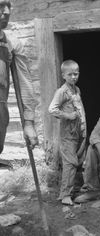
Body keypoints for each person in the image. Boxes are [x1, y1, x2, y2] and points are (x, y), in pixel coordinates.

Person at [0, 0, 38, 164]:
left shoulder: (12, 43)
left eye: (9, 6)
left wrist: (28, 123)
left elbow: (25, 83)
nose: (7, 11)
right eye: (1, 5)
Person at [48, 60, 86, 205]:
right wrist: (68, 116)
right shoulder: (62, 91)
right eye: (70, 74)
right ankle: (65, 195)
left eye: (76, 74)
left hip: (79, 132)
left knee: (80, 161)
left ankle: (75, 188)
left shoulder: (76, 90)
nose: (73, 77)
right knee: (70, 163)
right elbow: (52, 109)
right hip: (68, 134)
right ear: (63, 75)